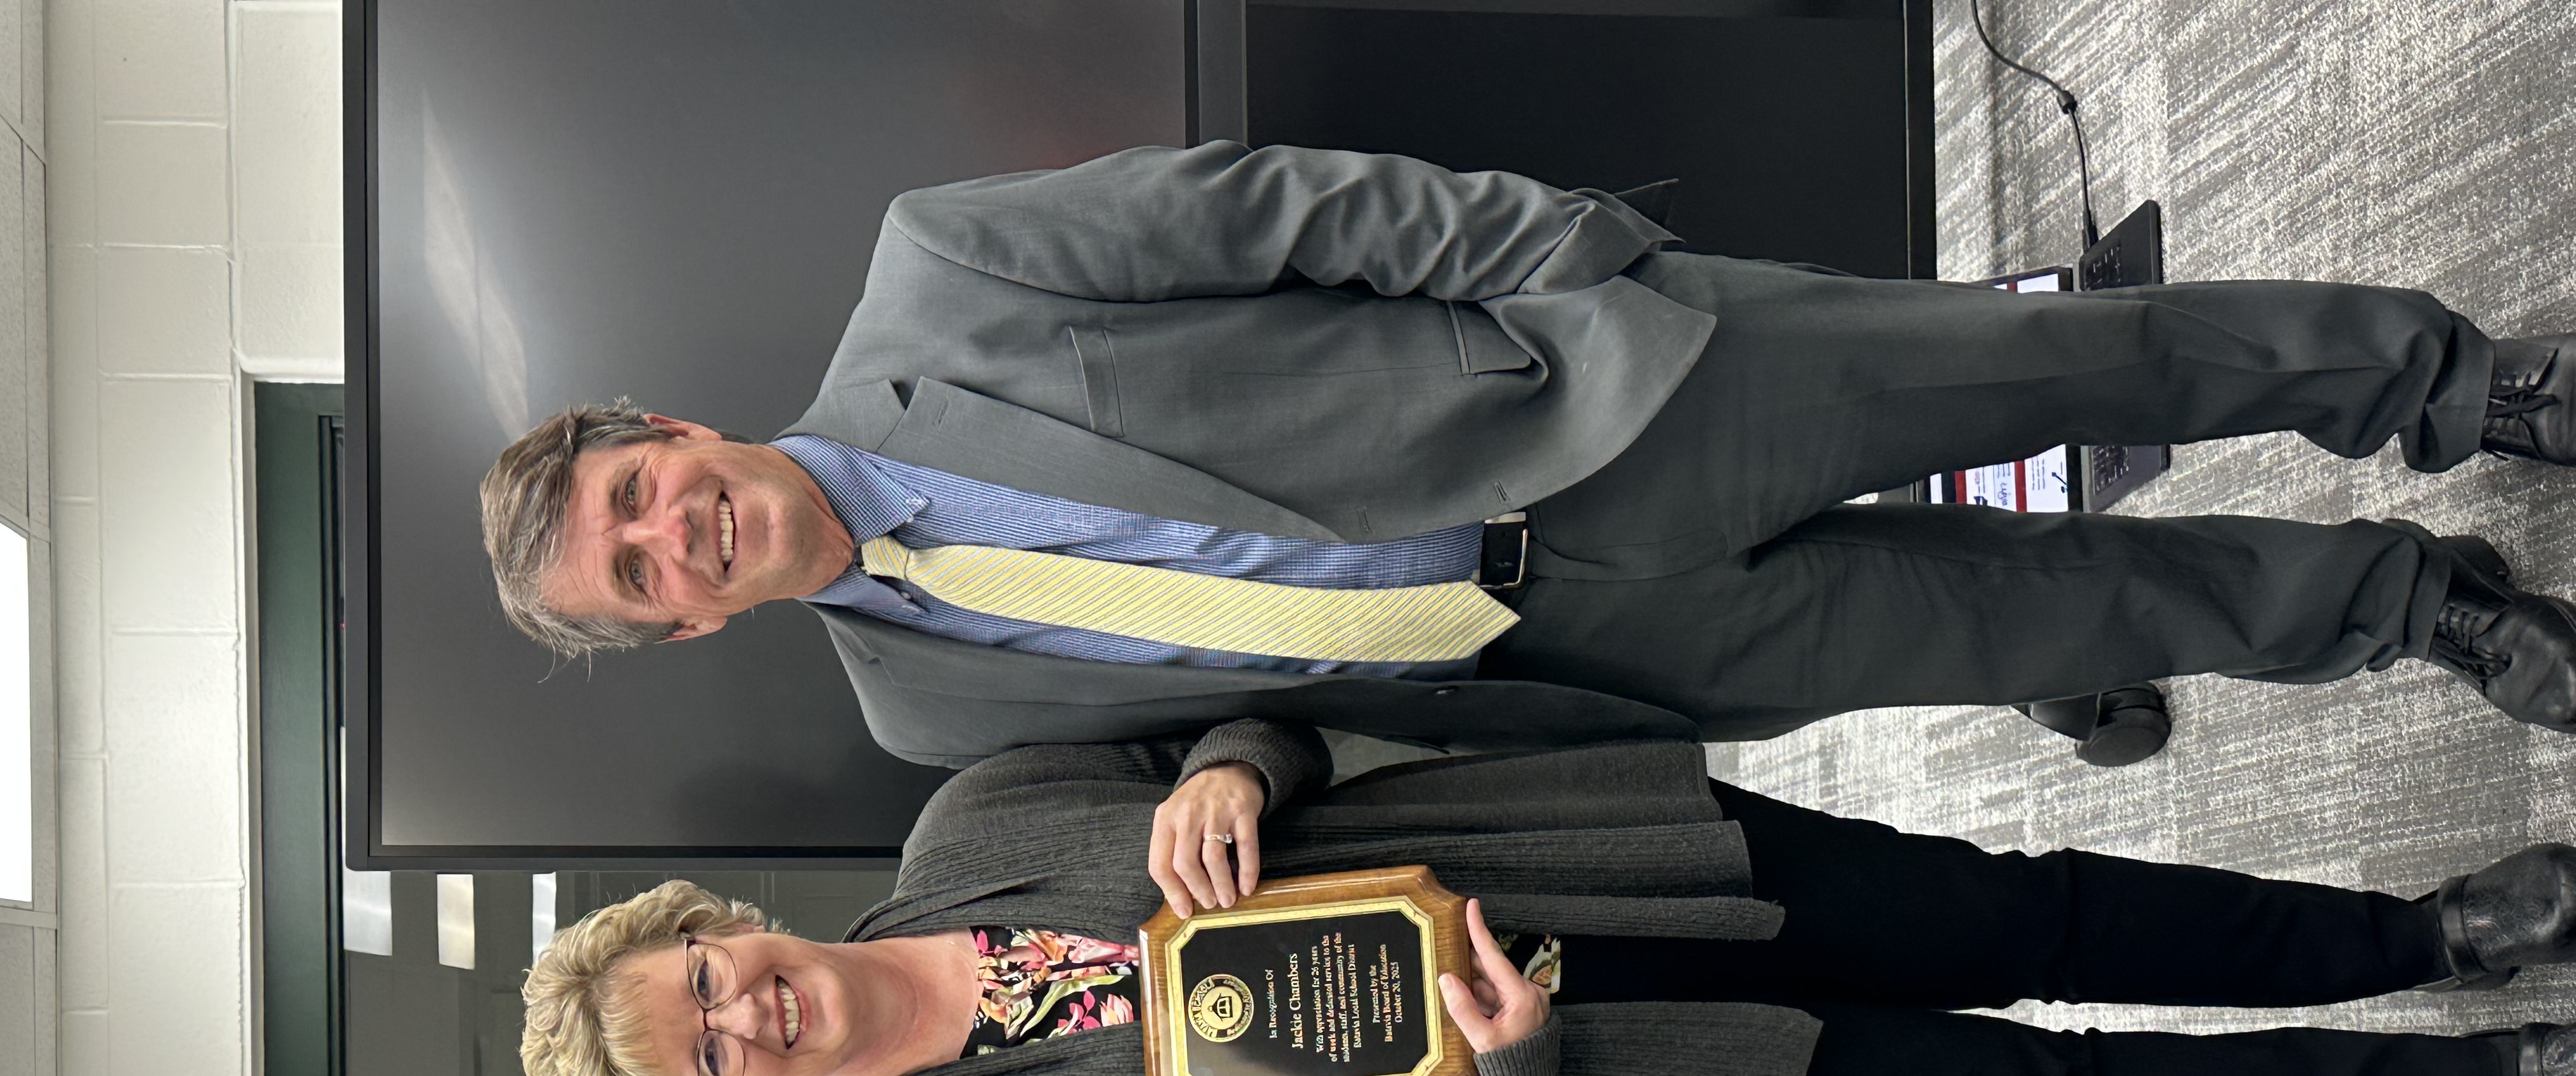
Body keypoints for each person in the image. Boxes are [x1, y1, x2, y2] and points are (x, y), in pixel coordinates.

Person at [477, 142, 2576, 768]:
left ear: (669, 430)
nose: (675, 537)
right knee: (2055, 610)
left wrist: (1573, 261)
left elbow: (1275, 208)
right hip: (1574, 654)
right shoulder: (920, 713)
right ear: (676, 630)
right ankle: (2416, 612)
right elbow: (1236, 733)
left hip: (1607, 396)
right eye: (638, 578)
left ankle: (2446, 393)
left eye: (638, 497)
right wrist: (1224, 780)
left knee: (2078, 366)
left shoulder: (930, 269)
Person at [523, 720, 2576, 1076]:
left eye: (698, 982)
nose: (739, 1018)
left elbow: (1236, 713)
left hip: (1599, 862)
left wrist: (1236, 772)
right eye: (703, 1060)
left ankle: (2418, 935)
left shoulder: (976, 813)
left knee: (2018, 908)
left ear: (713, 929)